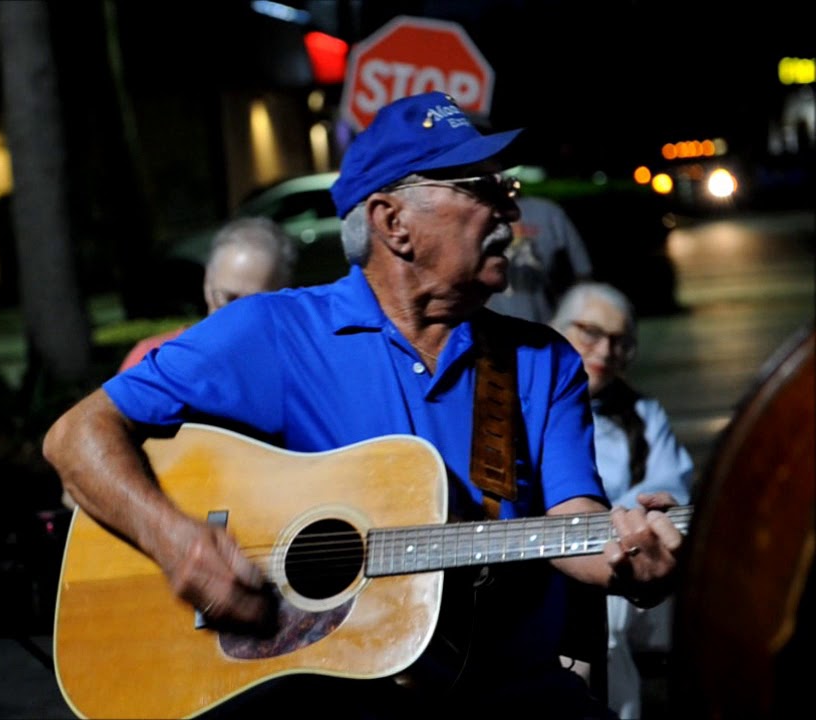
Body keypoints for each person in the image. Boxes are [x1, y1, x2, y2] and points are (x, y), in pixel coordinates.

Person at [43, 91, 683, 718]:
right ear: (393, 222)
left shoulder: (542, 360)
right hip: (316, 689)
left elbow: (573, 520)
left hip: (501, 687)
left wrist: (631, 560)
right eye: (480, 187)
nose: (507, 213)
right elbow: (77, 435)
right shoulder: (273, 332)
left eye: (505, 189)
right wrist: (178, 543)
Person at [550, 281, 694, 719]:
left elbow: (672, 492)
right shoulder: (522, 397)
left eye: (621, 342)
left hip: (615, 579)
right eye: (590, 333)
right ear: (555, 327)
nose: (606, 351)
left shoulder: (640, 413)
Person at [118, 216, 297, 372]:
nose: (235, 317)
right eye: (227, 299)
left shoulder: (296, 369)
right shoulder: (151, 360)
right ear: (207, 283)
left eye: (253, 305)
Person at [486, 194, 593, 324]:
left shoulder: (549, 212)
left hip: (542, 324)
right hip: (487, 327)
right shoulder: (478, 210)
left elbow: (583, 271)